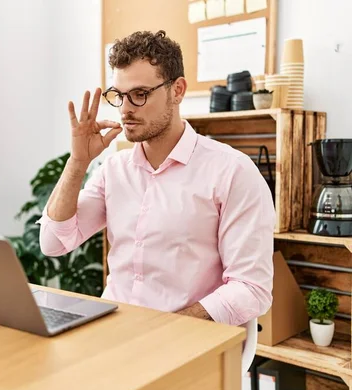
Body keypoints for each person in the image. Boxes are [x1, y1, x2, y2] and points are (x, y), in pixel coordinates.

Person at [37, 30, 274, 326]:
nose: (125, 109)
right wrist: (78, 161)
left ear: (177, 91)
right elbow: (53, 242)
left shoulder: (232, 171)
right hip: (114, 335)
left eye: (139, 94)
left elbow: (251, 289)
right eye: (119, 96)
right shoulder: (114, 170)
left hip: (187, 342)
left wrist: (163, 330)